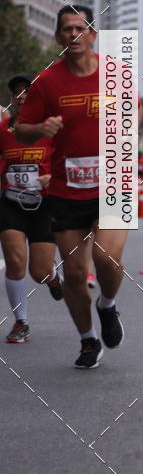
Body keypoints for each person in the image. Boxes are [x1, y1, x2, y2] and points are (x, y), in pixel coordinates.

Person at [16, 4, 141, 369]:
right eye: (66, 29)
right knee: (72, 273)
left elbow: (135, 110)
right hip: (66, 189)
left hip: (114, 182)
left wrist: (126, 132)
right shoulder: (46, 81)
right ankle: (88, 340)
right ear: (58, 36)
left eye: (80, 28)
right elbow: (21, 129)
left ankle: (108, 304)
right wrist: (41, 129)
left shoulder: (116, 72)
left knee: (105, 257)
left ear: (92, 35)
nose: (73, 34)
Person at [0, 74, 63, 343]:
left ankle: (52, 277)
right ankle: (21, 321)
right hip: (10, 203)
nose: (22, 96)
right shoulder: (3, 129)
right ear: (12, 99)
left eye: (27, 92)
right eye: (17, 92)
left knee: (39, 272)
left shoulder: (50, 129)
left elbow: (68, 157)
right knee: (15, 263)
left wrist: (53, 176)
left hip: (44, 204)